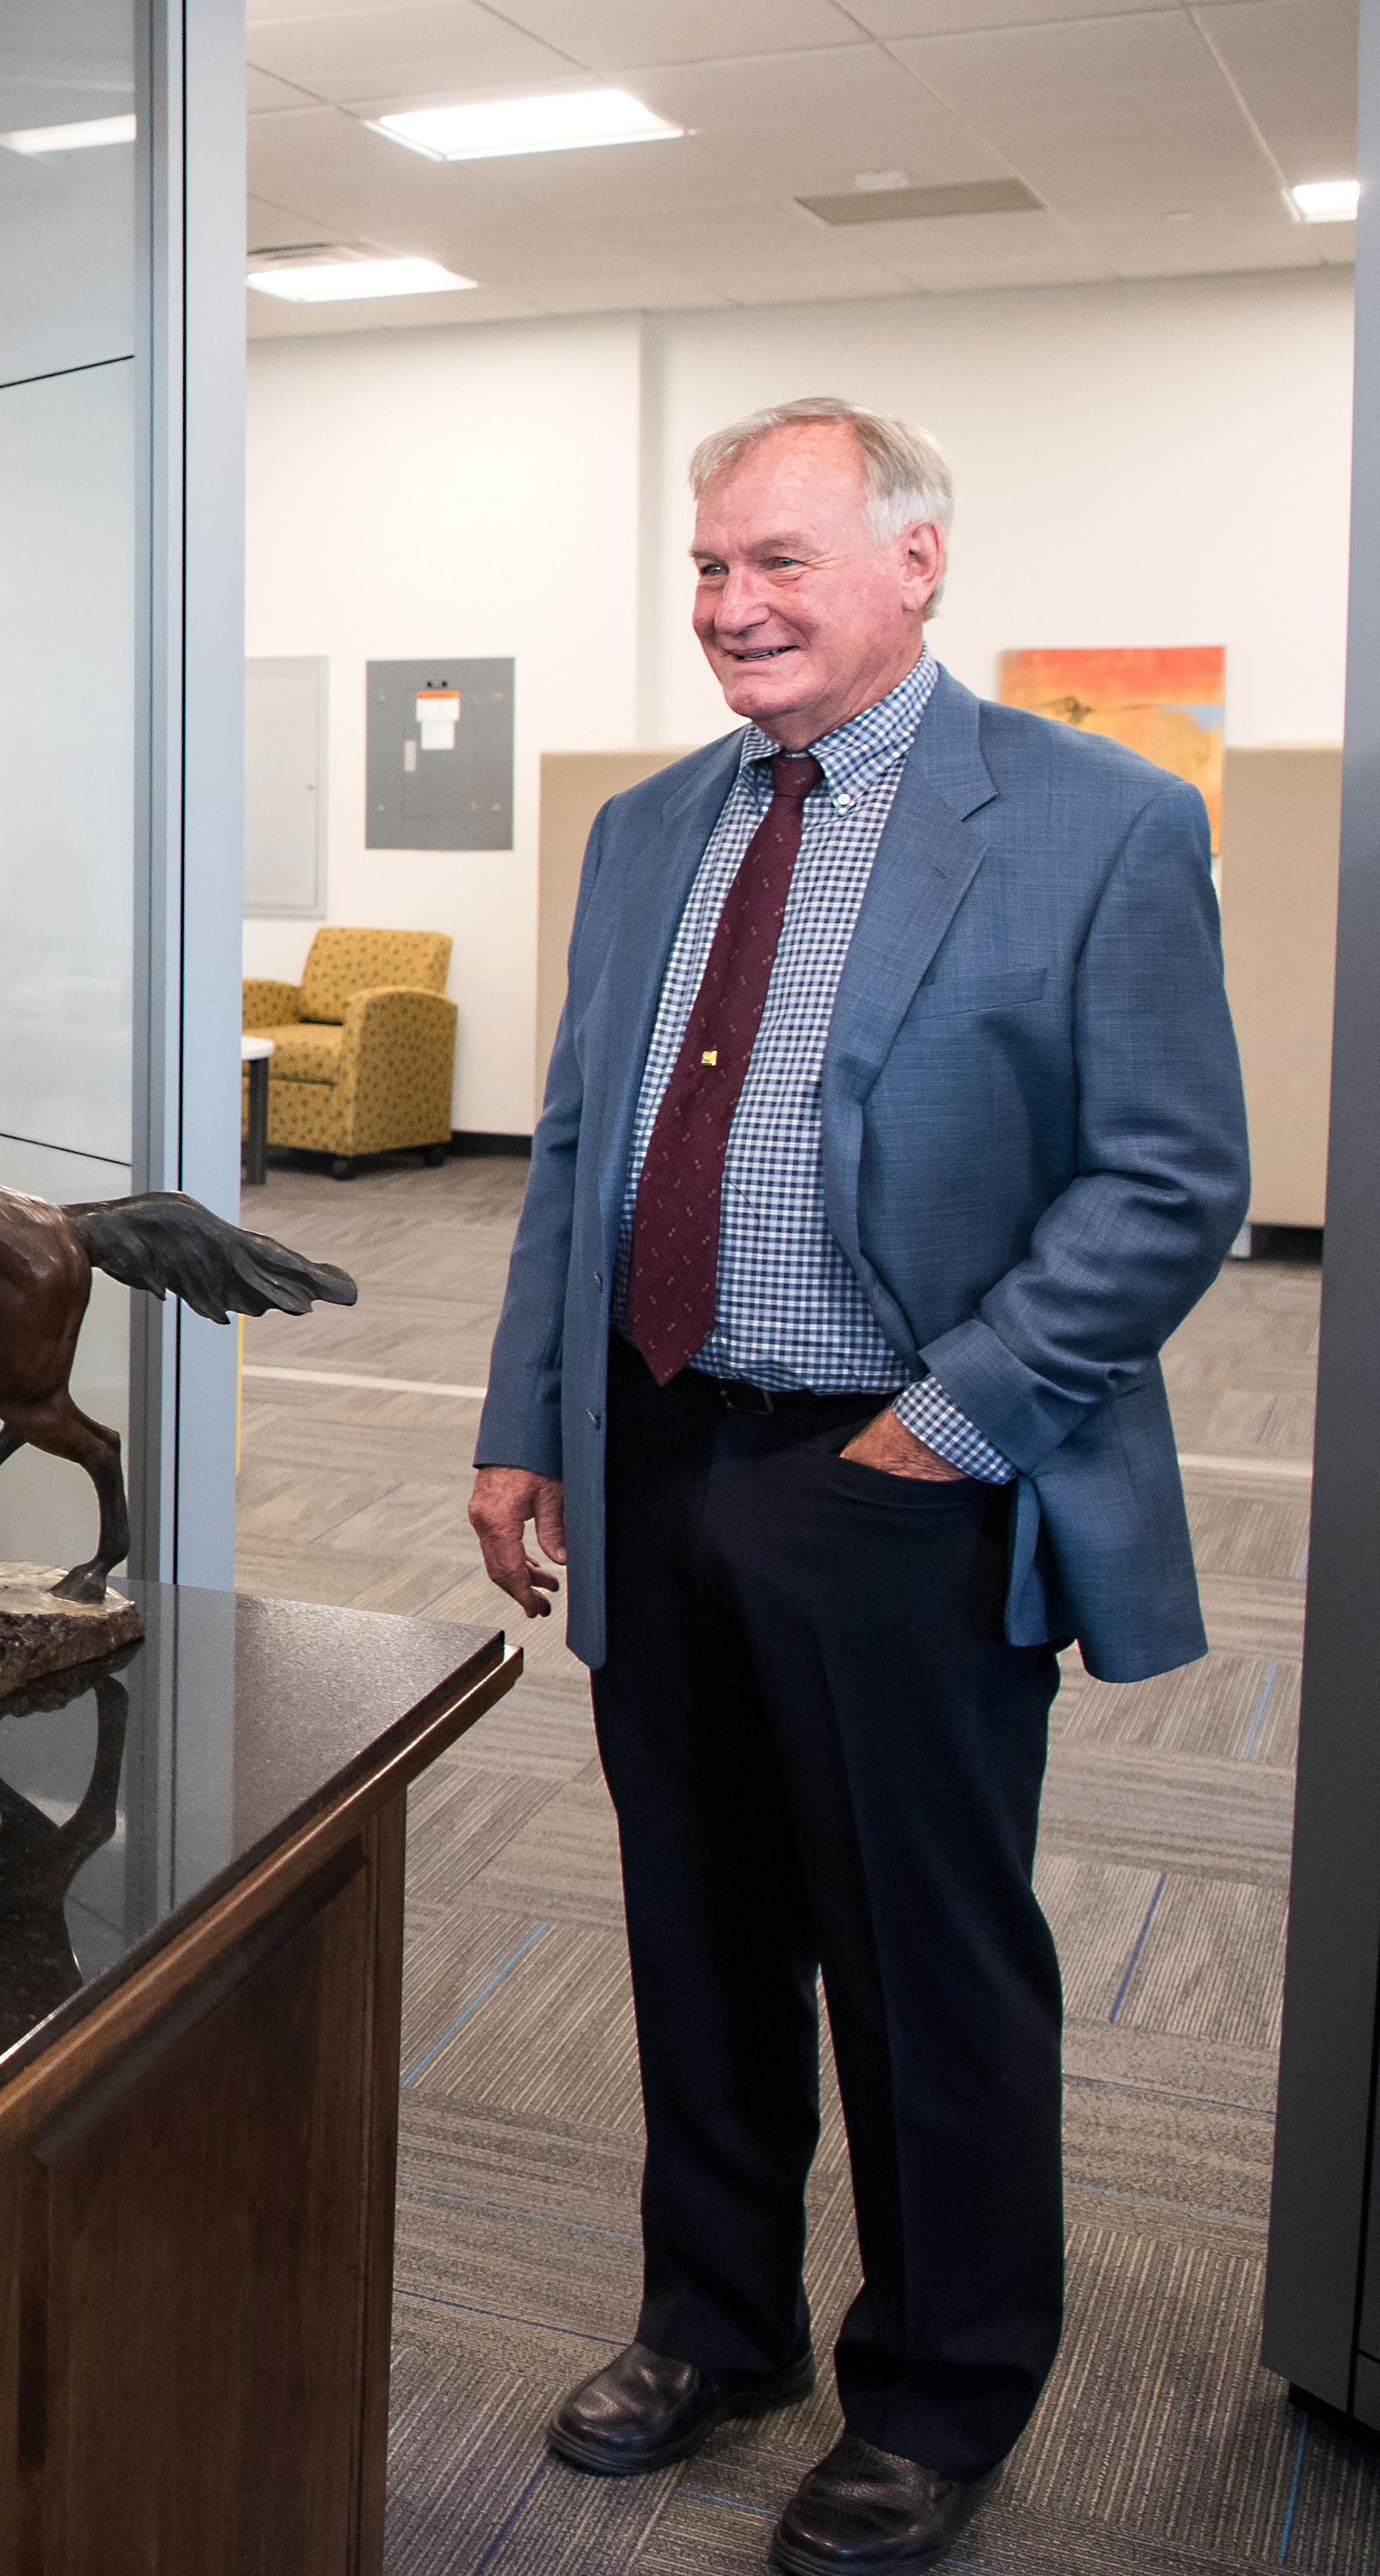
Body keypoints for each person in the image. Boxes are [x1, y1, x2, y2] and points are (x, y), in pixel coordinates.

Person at [471, 399, 1248, 2576]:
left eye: (781, 562)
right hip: (660, 1446)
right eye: (711, 567)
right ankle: (716, 2324)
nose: (734, 606)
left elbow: (1176, 1173)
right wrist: (528, 1411)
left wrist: (954, 1417)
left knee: (925, 1959)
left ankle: (942, 2387)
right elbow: (571, 1152)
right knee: (699, 1929)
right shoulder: (649, 829)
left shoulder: (1095, 823)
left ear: (915, 563)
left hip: (901, 1475)